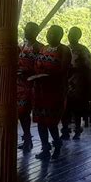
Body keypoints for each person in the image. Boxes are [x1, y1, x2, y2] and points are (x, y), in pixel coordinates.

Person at [33, 25, 71, 160]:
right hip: (40, 90)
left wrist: (49, 75)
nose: (49, 36)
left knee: (51, 121)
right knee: (40, 120)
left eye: (53, 34)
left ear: (60, 36)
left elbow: (64, 70)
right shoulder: (43, 48)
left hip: (55, 91)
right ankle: (45, 147)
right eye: (48, 33)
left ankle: (57, 144)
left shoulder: (64, 50)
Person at [63, 26, 91, 140]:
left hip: (78, 84)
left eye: (73, 34)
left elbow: (89, 68)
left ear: (78, 36)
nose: (71, 36)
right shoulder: (65, 48)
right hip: (66, 83)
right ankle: (65, 130)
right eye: (70, 34)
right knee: (65, 108)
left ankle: (77, 130)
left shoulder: (83, 50)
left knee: (77, 109)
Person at [17, 22, 43, 152]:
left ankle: (30, 139)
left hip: (32, 84)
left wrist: (30, 72)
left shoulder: (39, 47)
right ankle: (27, 138)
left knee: (24, 111)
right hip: (20, 83)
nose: (26, 32)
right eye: (26, 29)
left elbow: (41, 66)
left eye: (30, 30)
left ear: (36, 32)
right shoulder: (22, 46)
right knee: (22, 113)